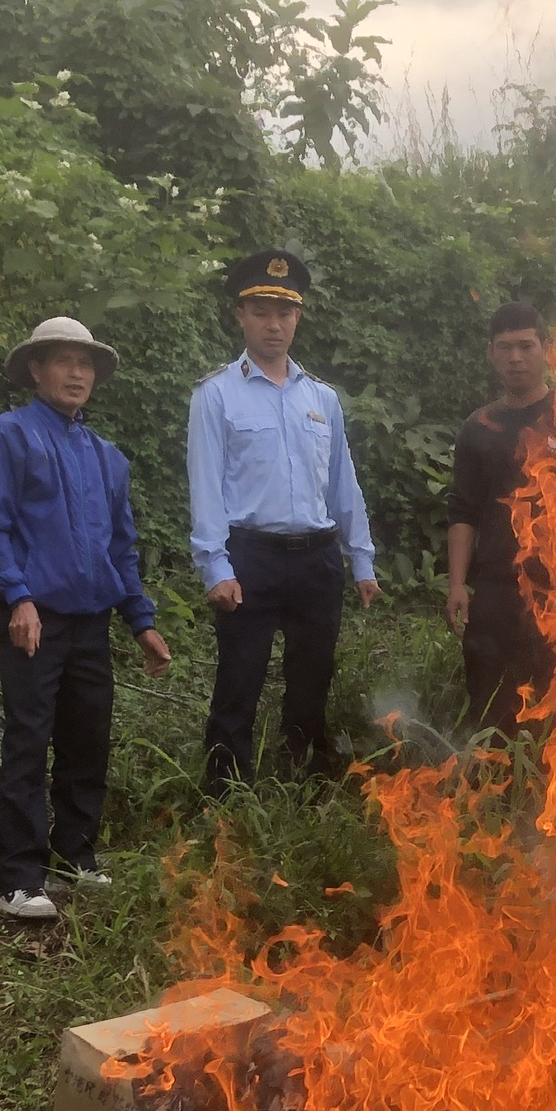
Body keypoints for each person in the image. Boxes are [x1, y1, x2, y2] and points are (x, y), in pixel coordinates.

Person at [0, 315, 173, 922]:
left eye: (86, 364)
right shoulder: (4, 436)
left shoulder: (107, 458)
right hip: (35, 618)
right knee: (28, 742)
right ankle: (19, 879)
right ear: (36, 369)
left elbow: (120, 548)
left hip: (92, 624)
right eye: (63, 360)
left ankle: (75, 857)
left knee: (88, 742)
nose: (77, 372)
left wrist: (142, 621)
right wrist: (17, 597)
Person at [187, 251, 378, 788]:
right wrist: (215, 567)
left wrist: (361, 560)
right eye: (262, 311)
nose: (274, 324)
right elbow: (205, 486)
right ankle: (224, 794)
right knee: (239, 678)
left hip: (316, 559)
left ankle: (305, 781)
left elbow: (344, 482)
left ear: (298, 318)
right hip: (250, 557)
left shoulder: (322, 398)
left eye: (285, 313)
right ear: (241, 315)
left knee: (313, 676)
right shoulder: (216, 395)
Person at [444, 302, 556, 737]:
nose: (516, 357)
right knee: (490, 706)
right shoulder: (479, 427)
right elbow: (463, 511)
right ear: (491, 353)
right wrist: (458, 584)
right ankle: (493, 793)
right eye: (505, 348)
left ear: (546, 348)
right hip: (497, 590)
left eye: (526, 346)